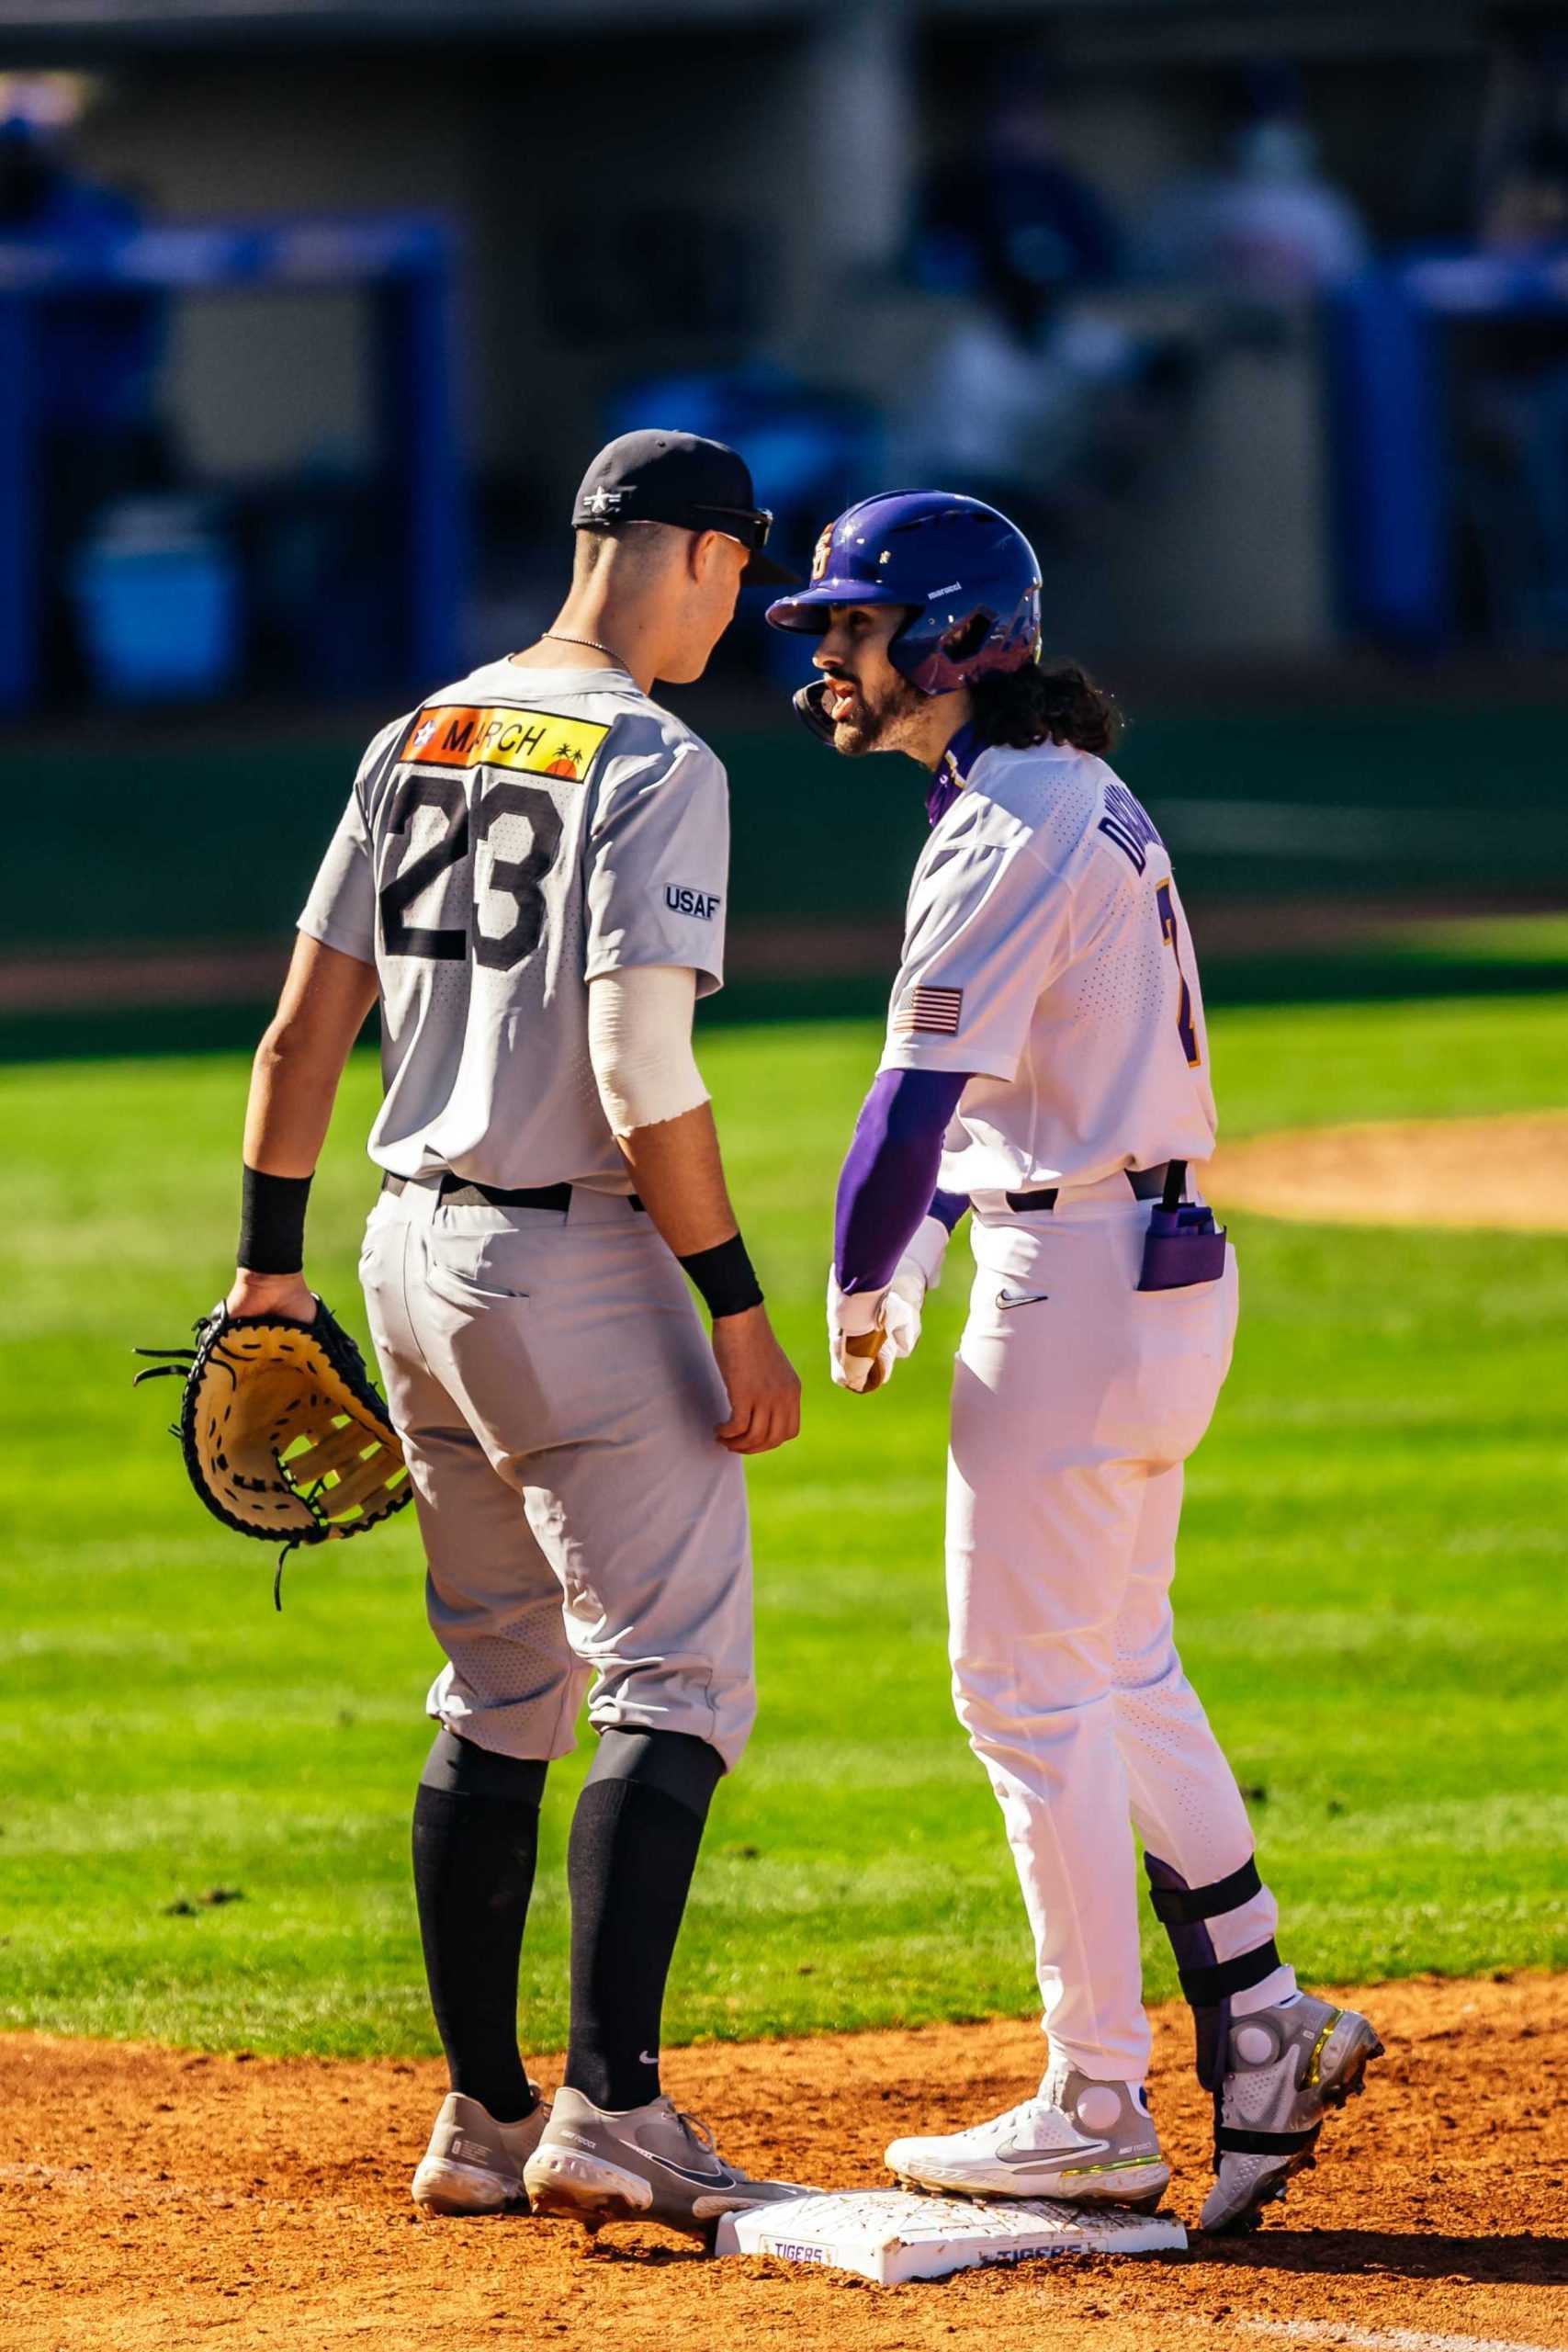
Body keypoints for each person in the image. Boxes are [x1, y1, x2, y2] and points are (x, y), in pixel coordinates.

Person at [765, 492, 1382, 2233]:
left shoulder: (1008, 816)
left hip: (1082, 1286)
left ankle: (1097, 2099)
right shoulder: (1057, 794)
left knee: (1023, 1694)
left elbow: (912, 1100)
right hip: (1144, 1267)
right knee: (1116, 1662)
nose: (826, 654)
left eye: (854, 626)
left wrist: (862, 1267)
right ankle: (1261, 2017)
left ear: (954, 645)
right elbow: (1019, 1085)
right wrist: (936, 1247)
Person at [227, 429, 808, 2241]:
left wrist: (268, 1271)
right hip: (578, 1275)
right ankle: (615, 2105)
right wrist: (735, 1303)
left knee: (497, 1686)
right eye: (740, 573)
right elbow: (644, 1072)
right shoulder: (657, 758)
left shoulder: (424, 727)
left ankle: (483, 2112)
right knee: (673, 1679)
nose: (741, 608)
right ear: (694, 554)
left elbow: (299, 1040)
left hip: (403, 1262)